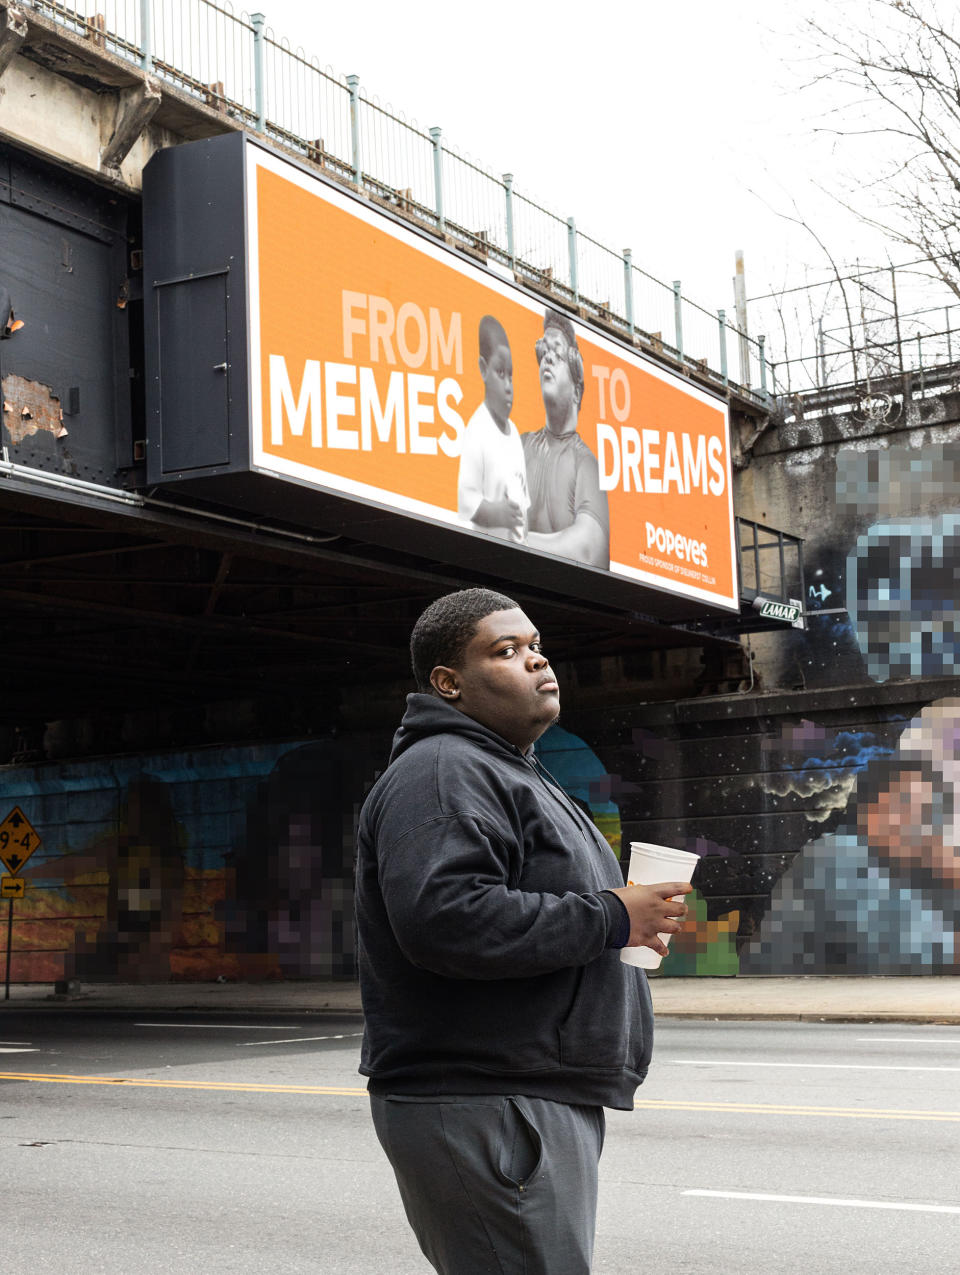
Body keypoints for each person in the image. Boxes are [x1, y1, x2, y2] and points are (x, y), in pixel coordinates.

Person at [355, 587, 691, 1275]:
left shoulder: (508, 770)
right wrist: (610, 914)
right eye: (505, 651)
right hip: (490, 1102)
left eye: (536, 646)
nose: (537, 661)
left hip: (525, 1097)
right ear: (448, 682)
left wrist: (621, 921)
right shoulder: (445, 770)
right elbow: (445, 920)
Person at [523, 309, 610, 569]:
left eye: (557, 354)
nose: (547, 358)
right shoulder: (521, 445)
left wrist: (520, 541)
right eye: (544, 351)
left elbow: (587, 549)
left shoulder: (586, 463)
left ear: (576, 389)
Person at [457, 315, 529, 542]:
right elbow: (467, 501)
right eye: (500, 373)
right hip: (486, 558)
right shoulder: (477, 430)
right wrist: (497, 514)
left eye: (511, 376)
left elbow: (525, 503)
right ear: (483, 369)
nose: (508, 387)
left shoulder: (515, 433)